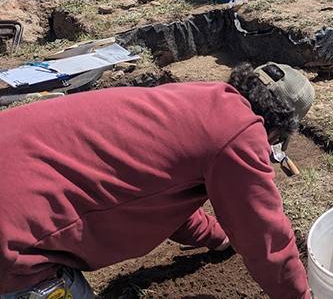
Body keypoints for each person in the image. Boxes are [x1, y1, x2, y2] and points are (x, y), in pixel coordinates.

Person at [0, 62, 315, 299]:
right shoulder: (240, 134)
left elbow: (157, 196)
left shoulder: (196, 100)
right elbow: (264, 237)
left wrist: (218, 238)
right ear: (277, 129)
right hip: (12, 239)